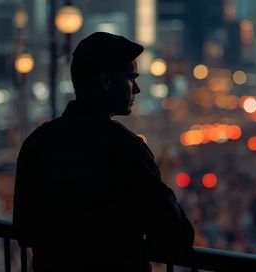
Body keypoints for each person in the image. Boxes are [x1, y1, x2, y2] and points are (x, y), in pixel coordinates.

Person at [13, 32, 195, 272]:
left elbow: (25, 231)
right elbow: (175, 236)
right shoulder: (125, 149)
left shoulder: (37, 143)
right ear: (106, 80)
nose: (137, 88)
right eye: (131, 78)